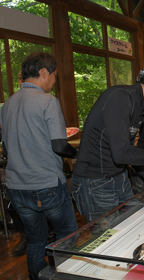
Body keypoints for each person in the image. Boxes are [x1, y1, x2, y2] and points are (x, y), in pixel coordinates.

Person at [71, 63, 144, 223]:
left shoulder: (143, 107)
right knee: (108, 240)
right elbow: (120, 153)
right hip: (95, 181)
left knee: (130, 226)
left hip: (119, 176)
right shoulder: (120, 97)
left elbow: (128, 150)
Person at [0, 52, 78, 280]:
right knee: (67, 235)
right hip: (47, 184)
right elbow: (59, 145)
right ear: (44, 72)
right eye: (54, 76)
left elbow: (6, 147)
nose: (54, 81)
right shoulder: (47, 101)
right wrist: (75, 155)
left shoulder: (8, 104)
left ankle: (37, 277)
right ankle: (70, 275)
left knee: (35, 240)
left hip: (17, 187)